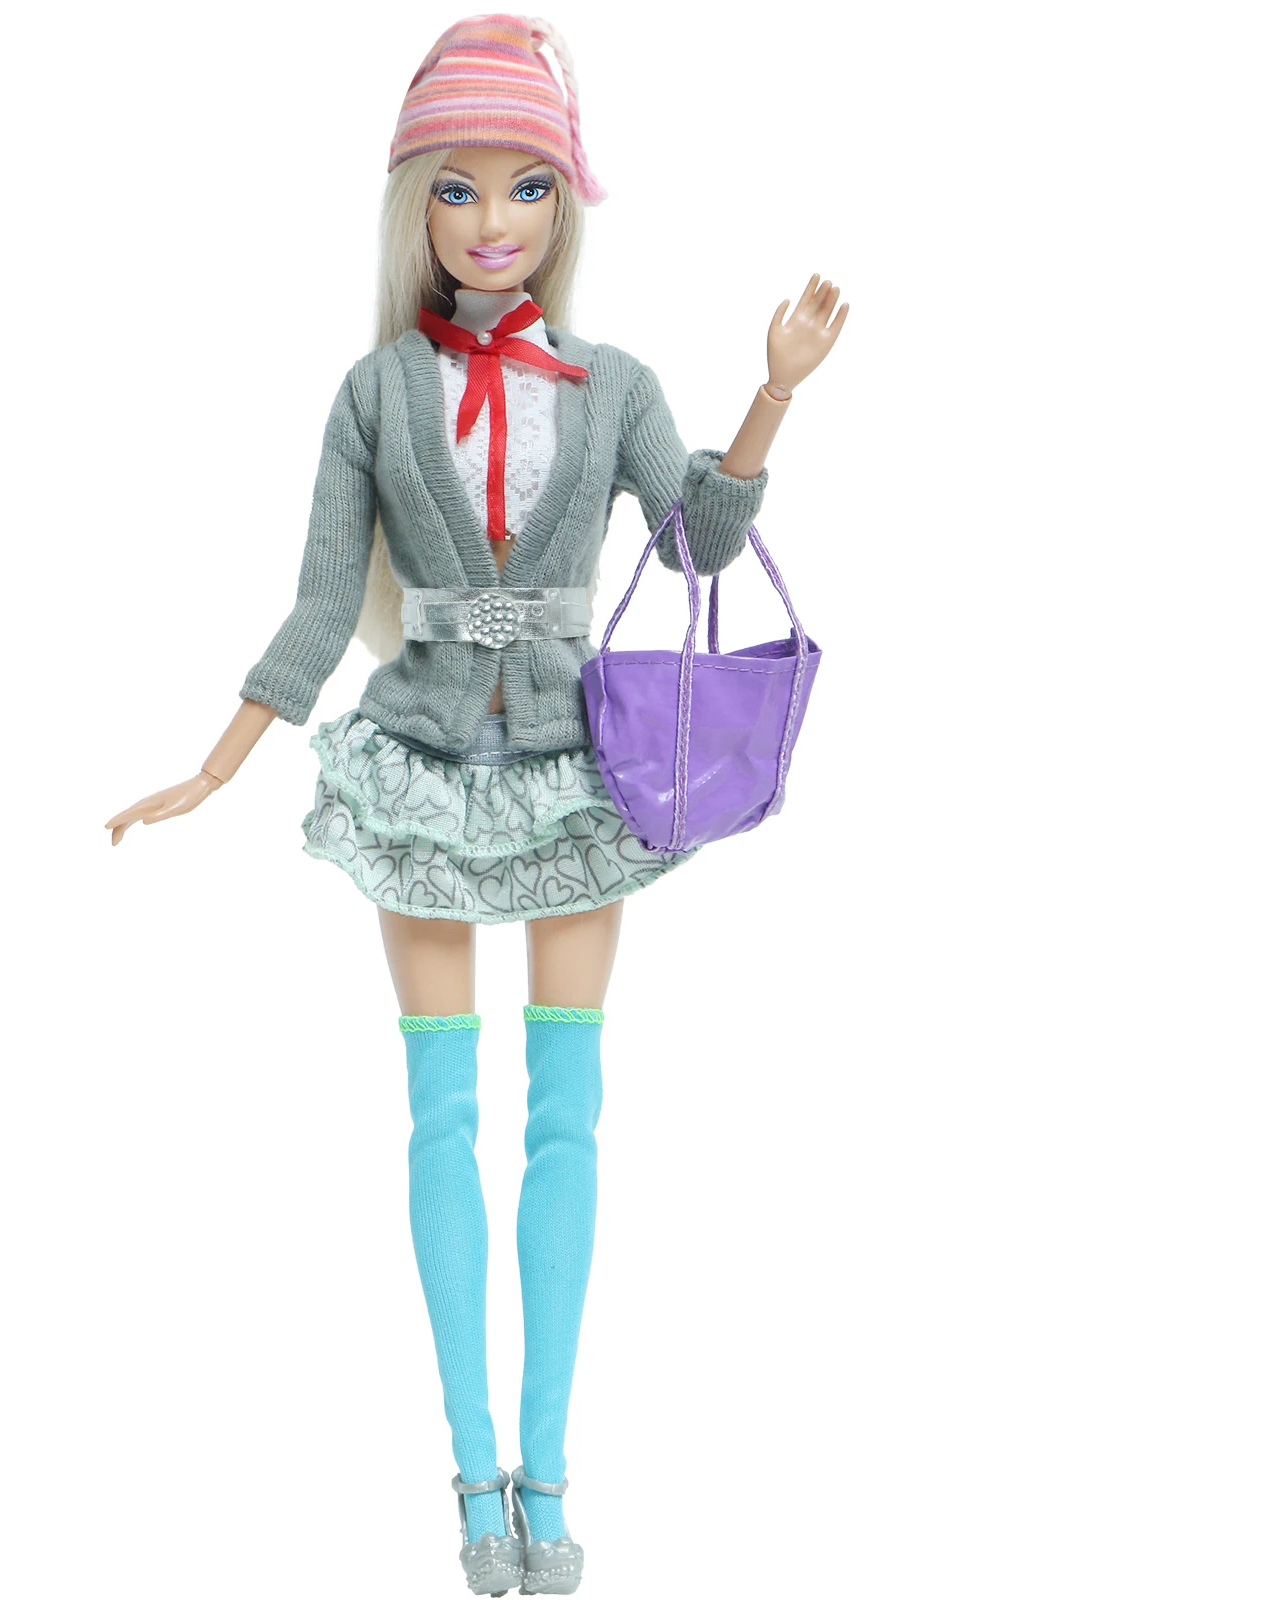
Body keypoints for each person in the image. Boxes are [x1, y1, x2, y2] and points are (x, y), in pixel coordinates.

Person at [107, 15, 847, 1593]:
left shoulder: (613, 382)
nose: (493, 219)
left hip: (581, 772)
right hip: (422, 774)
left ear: (563, 204)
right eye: (458, 188)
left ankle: (551, 1473)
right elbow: (325, 604)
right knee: (443, 1115)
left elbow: (699, 543)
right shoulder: (376, 393)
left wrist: (772, 396)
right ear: (416, 207)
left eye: (524, 187)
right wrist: (216, 764)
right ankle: (471, 1478)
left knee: (566, 1113)